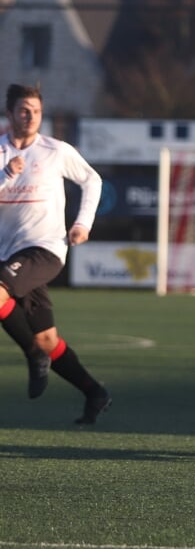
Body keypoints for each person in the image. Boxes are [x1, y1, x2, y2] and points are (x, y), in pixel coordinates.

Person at [0, 83, 110, 424]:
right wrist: (6, 174)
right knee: (48, 338)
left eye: (36, 110)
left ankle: (33, 356)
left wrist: (82, 224)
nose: (31, 116)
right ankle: (94, 391)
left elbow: (92, 180)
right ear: (9, 113)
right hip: (9, 254)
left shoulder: (55, 150)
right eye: (23, 109)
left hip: (46, 248)